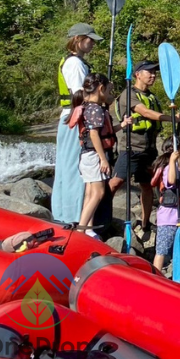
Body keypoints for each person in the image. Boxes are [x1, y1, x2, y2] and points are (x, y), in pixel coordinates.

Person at [111, 60, 180, 238]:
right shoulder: (129, 95)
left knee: (147, 186)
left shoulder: (151, 96)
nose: (153, 75)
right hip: (131, 149)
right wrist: (171, 118)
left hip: (149, 151)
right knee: (115, 183)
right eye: (149, 72)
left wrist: (175, 117)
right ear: (137, 74)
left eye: (154, 72)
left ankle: (145, 223)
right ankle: (101, 215)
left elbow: (152, 113)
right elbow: (146, 113)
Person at [68, 73, 129, 238]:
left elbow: (104, 132)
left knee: (90, 192)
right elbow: (94, 134)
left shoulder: (89, 106)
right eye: (109, 90)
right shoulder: (95, 109)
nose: (111, 94)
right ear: (100, 89)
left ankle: (88, 228)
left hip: (87, 156)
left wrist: (122, 125)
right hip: (94, 156)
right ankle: (80, 231)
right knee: (98, 193)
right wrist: (103, 159)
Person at [53, 23, 102, 224]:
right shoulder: (74, 64)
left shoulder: (76, 62)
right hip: (75, 120)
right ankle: (73, 217)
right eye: (89, 39)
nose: (92, 43)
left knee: (67, 166)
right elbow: (81, 94)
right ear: (78, 39)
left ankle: (64, 214)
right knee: (74, 167)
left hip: (70, 118)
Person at [152, 137, 180, 274]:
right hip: (168, 219)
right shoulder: (169, 167)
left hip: (179, 218)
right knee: (161, 251)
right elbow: (171, 181)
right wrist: (172, 161)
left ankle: (179, 274)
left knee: (178, 249)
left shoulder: (179, 168)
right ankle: (155, 275)